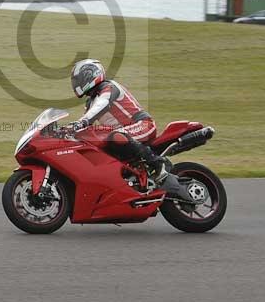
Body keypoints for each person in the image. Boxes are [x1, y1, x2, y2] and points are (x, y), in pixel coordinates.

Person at [67, 58, 192, 201]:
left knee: (116, 136)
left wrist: (81, 122)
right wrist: (69, 132)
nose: (77, 83)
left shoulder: (108, 87)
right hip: (124, 135)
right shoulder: (91, 101)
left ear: (91, 74)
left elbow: (102, 104)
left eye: (79, 79)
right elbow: (87, 127)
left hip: (143, 125)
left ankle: (157, 164)